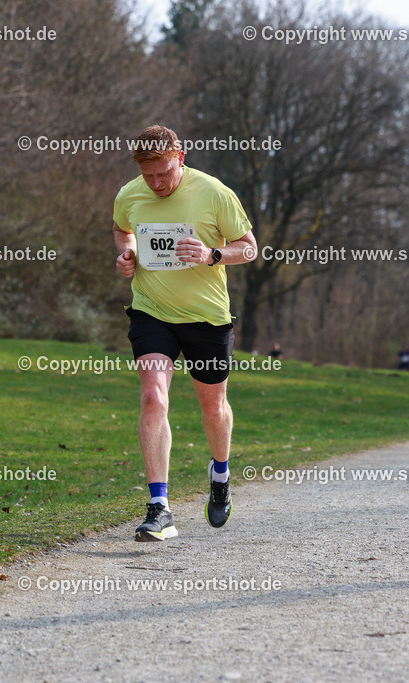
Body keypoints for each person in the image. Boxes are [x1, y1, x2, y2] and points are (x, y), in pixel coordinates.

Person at [113, 124, 257, 542]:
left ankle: (220, 472)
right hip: (151, 311)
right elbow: (122, 228)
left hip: (206, 317)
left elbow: (249, 247)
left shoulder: (214, 193)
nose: (156, 184)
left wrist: (214, 254)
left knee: (213, 408)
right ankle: (159, 508)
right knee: (153, 396)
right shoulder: (129, 194)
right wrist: (128, 254)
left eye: (163, 173)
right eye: (148, 176)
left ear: (180, 156)